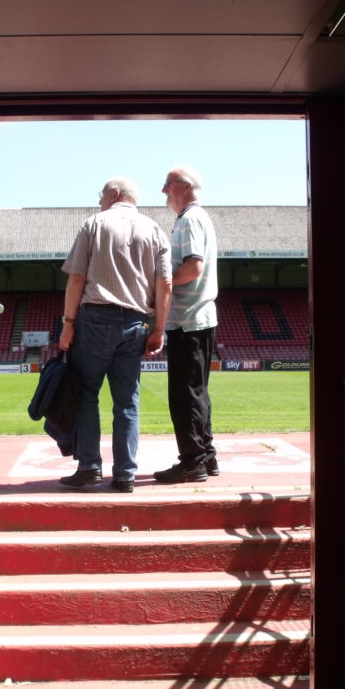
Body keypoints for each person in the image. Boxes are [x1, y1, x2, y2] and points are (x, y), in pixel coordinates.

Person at [58, 176, 172, 492]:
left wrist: (68, 323)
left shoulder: (94, 224)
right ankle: (125, 474)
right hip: (137, 323)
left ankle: (90, 466)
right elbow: (166, 285)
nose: (99, 200)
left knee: (86, 392)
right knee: (127, 401)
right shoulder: (155, 230)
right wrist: (159, 329)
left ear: (114, 194)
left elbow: (77, 278)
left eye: (101, 194)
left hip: (96, 318)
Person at [153, 165, 219, 484]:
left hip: (188, 321)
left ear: (183, 185)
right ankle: (206, 456)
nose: (164, 191)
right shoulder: (193, 218)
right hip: (198, 318)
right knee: (197, 392)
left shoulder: (190, 219)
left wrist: (160, 285)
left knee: (184, 395)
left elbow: (192, 268)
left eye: (167, 184)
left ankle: (192, 461)